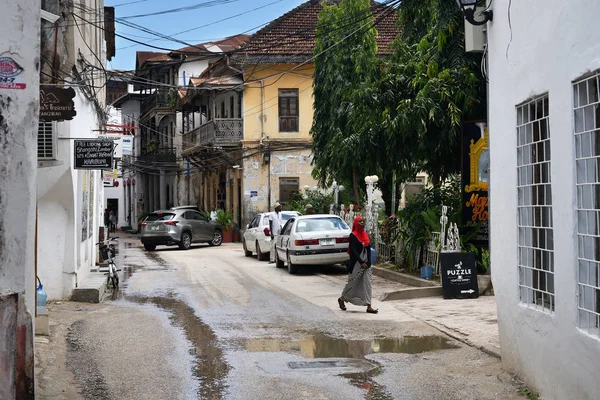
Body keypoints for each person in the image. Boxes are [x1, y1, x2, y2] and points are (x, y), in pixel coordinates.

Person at [338, 216, 378, 314]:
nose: (362, 223)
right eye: (360, 221)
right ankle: (342, 298)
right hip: (356, 263)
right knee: (353, 282)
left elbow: (368, 249)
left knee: (367, 284)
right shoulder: (353, 235)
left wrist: (368, 262)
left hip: (366, 264)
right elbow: (353, 251)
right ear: (356, 223)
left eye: (363, 221)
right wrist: (361, 262)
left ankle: (369, 306)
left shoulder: (365, 235)